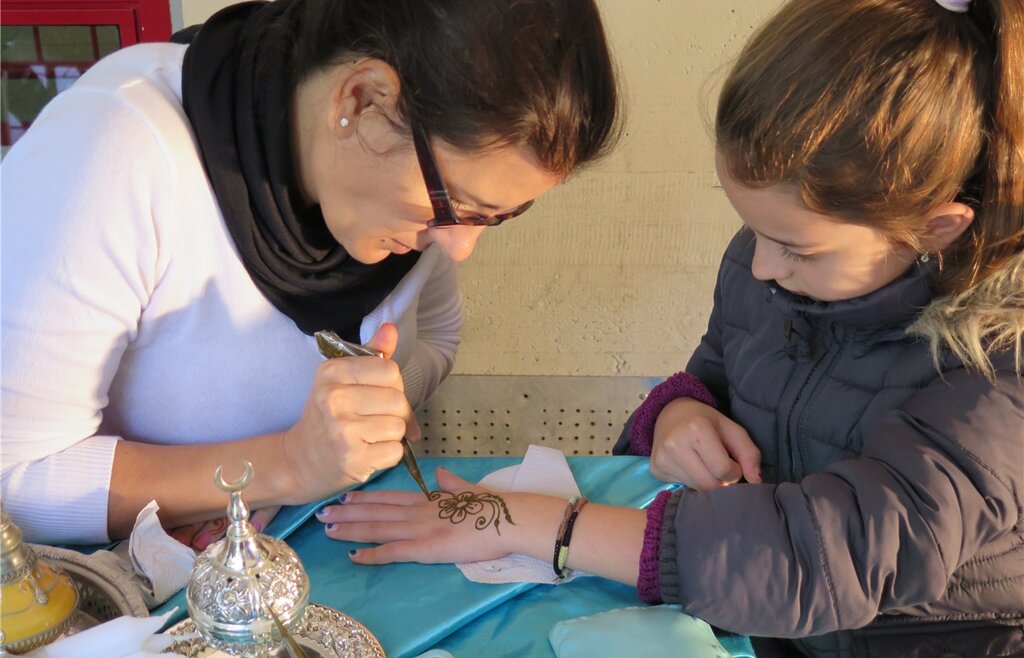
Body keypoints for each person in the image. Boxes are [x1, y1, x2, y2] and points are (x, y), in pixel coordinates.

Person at [316, 0, 1024, 655]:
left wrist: (540, 523)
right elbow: (719, 364)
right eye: (751, 228)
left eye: (797, 248)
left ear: (935, 227)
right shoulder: (769, 261)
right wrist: (682, 411)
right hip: (754, 627)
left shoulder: (1003, 374)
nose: (763, 265)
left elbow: (817, 560)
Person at [0, 0, 621, 548]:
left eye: (499, 215)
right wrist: (290, 464)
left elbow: (436, 337)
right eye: (456, 206)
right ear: (361, 100)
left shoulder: (407, 200)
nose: (459, 248)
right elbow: (15, 479)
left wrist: (382, 404)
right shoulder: (115, 155)